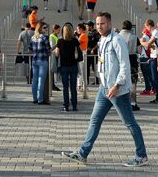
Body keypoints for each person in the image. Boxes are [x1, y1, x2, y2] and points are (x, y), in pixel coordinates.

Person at [62, 12, 148, 167]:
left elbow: (124, 65)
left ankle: (141, 155)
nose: (99, 27)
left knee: (130, 123)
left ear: (109, 24)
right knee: (94, 120)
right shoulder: (102, 40)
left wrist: (117, 85)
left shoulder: (117, 40)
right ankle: (83, 153)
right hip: (104, 89)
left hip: (117, 90)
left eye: (102, 24)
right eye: (97, 24)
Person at [54, 23, 82, 111]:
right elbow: (78, 51)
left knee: (65, 87)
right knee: (73, 87)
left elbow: (57, 53)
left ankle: (66, 106)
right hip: (73, 65)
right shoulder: (75, 40)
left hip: (64, 66)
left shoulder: (60, 41)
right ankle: (74, 105)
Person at [120, 20, 141, 111]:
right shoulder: (134, 37)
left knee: (121, 83)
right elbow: (139, 51)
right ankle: (133, 103)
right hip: (132, 61)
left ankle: (121, 103)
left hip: (121, 61)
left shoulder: (118, 36)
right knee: (132, 83)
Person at [29, 22, 51, 104]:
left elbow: (30, 49)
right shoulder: (44, 38)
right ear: (40, 28)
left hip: (34, 60)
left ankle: (34, 98)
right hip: (43, 60)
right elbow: (48, 49)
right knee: (41, 80)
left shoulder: (33, 37)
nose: (46, 29)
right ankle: (40, 99)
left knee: (34, 80)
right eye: (44, 27)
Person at [49, 25, 61, 92]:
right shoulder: (52, 36)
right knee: (52, 70)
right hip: (53, 55)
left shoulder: (56, 36)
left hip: (56, 55)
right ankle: (52, 85)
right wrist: (59, 43)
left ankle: (52, 85)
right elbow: (52, 47)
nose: (59, 31)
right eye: (58, 30)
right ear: (54, 29)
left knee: (53, 70)